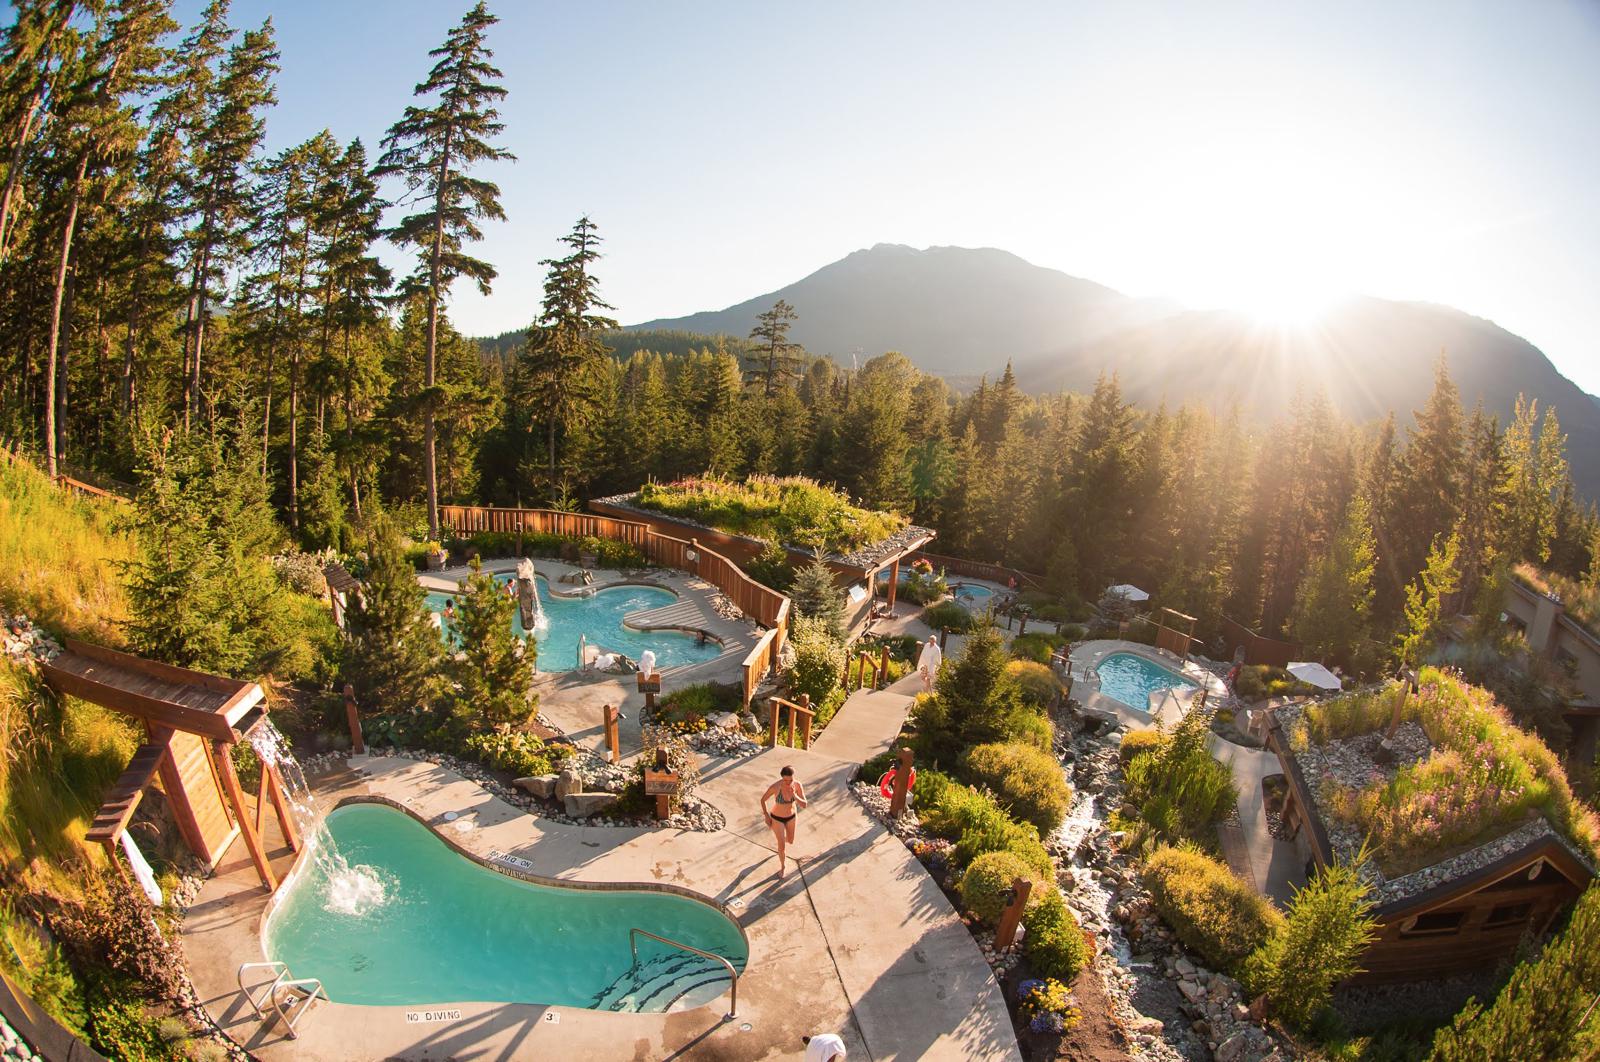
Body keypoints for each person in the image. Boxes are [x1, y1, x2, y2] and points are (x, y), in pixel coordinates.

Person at [759, 765, 808, 879]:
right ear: (781, 778)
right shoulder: (775, 787)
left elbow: (804, 804)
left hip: (791, 817)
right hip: (777, 818)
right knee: (782, 846)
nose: (788, 782)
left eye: (790, 780)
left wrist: (795, 796)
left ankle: (780, 842)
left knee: (790, 841)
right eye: (785, 780)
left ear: (793, 777)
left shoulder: (797, 785)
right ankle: (783, 867)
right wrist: (766, 815)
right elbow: (763, 800)